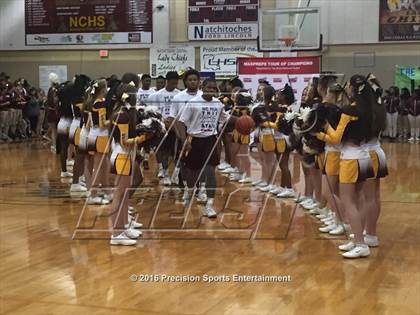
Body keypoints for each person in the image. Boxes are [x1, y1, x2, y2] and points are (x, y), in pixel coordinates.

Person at [316, 74, 379, 258]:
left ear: (351, 88)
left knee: (349, 201)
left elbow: (336, 139)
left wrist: (325, 127)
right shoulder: (370, 109)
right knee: (358, 200)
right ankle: (358, 238)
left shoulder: (349, 111)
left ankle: (360, 243)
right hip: (365, 156)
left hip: (350, 159)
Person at [178, 78, 229, 218]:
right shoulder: (193, 103)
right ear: (203, 87)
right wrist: (184, 140)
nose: (211, 90)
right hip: (194, 140)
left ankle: (210, 205)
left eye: (214, 88)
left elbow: (224, 119)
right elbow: (181, 122)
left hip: (210, 140)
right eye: (209, 88)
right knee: (193, 174)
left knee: (210, 172)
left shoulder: (218, 104)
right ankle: (189, 190)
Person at [109, 83, 147, 246]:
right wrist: (144, 138)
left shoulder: (123, 112)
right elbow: (125, 142)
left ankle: (123, 227)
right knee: (119, 195)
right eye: (134, 94)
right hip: (122, 156)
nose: (137, 96)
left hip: (125, 156)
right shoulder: (122, 115)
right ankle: (116, 234)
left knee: (124, 195)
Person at [170, 69, 203, 196]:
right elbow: (173, 117)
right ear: (185, 82)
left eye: (195, 80)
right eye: (190, 80)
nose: (193, 82)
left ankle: (197, 186)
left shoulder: (203, 95)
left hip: (199, 134)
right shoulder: (178, 97)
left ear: (199, 82)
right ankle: (183, 184)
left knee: (199, 162)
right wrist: (179, 134)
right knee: (183, 161)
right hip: (182, 133)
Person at [148, 71, 180, 185]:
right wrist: (161, 120)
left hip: (174, 126)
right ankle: (164, 170)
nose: (174, 85)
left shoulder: (179, 94)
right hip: (161, 126)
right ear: (167, 81)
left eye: (176, 83)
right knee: (162, 150)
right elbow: (152, 111)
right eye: (172, 83)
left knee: (173, 152)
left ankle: (174, 173)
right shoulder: (156, 95)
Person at [86, 79, 112, 204]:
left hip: (94, 135)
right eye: (106, 87)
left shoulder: (93, 102)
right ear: (103, 90)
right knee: (98, 166)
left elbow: (90, 123)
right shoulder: (100, 104)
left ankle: (107, 192)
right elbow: (102, 124)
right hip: (100, 136)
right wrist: (114, 119)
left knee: (103, 166)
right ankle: (93, 195)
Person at [136, 74, 156, 169]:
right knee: (140, 139)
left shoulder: (153, 92)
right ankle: (140, 157)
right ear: (142, 81)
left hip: (149, 118)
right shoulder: (138, 92)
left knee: (148, 140)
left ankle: (146, 159)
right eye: (146, 81)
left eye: (149, 81)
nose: (147, 82)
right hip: (139, 118)